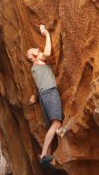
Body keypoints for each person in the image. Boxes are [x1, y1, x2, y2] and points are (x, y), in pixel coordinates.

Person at [27, 24, 63, 164]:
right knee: (57, 123)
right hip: (50, 93)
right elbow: (47, 53)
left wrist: (35, 98)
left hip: (43, 97)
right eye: (35, 49)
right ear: (33, 56)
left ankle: (47, 154)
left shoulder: (34, 70)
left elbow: (38, 87)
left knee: (50, 126)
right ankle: (43, 155)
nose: (38, 48)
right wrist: (46, 34)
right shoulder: (37, 60)